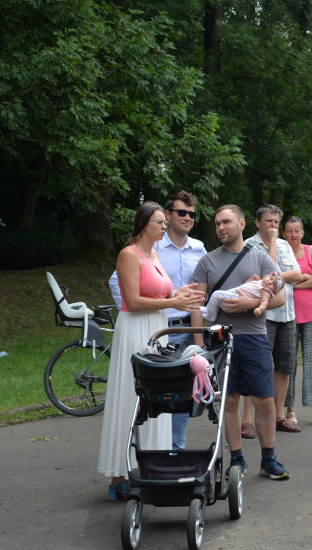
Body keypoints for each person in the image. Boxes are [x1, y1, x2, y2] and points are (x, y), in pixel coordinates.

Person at [97, 202, 204, 500]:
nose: (164, 227)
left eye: (163, 223)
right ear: (143, 224)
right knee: (132, 395)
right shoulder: (129, 255)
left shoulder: (153, 254)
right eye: (159, 222)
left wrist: (178, 295)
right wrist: (172, 303)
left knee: (154, 393)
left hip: (155, 330)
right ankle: (119, 473)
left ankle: (148, 466)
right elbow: (132, 300)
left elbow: (158, 292)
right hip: (135, 328)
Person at [191, 205, 291, 480]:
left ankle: (269, 459)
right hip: (219, 340)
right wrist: (200, 343)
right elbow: (197, 306)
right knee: (229, 399)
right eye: (217, 224)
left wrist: (251, 302)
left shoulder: (259, 257)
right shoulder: (207, 261)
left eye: (226, 222)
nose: (221, 228)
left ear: (242, 224)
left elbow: (281, 297)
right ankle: (236, 459)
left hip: (254, 337)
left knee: (265, 400)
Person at [246, 204, 304, 434]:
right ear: (258, 222)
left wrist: (276, 277)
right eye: (269, 221)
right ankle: (247, 421)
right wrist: (271, 244)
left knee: (284, 367)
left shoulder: (284, 245)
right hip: (263, 316)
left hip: (287, 314)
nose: (273, 226)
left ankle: (279, 417)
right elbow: (265, 276)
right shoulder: (250, 245)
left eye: (276, 223)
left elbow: (298, 275)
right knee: (257, 367)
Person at [282, 215, 312, 426]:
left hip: (311, 315)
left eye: (297, 231)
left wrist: (292, 284)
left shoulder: (311, 251)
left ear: (302, 233)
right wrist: (303, 279)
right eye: (289, 231)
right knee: (288, 365)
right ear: (284, 234)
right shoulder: (280, 252)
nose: (293, 234)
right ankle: (290, 410)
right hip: (287, 315)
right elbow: (277, 279)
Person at [202, 276, 276, 320]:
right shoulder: (259, 282)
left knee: (216, 294)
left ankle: (211, 315)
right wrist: (251, 280)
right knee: (217, 297)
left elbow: (264, 302)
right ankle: (210, 309)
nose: (270, 282)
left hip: (236, 299)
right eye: (270, 278)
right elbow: (245, 285)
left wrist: (260, 309)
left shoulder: (266, 291)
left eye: (274, 285)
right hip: (234, 294)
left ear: (274, 291)